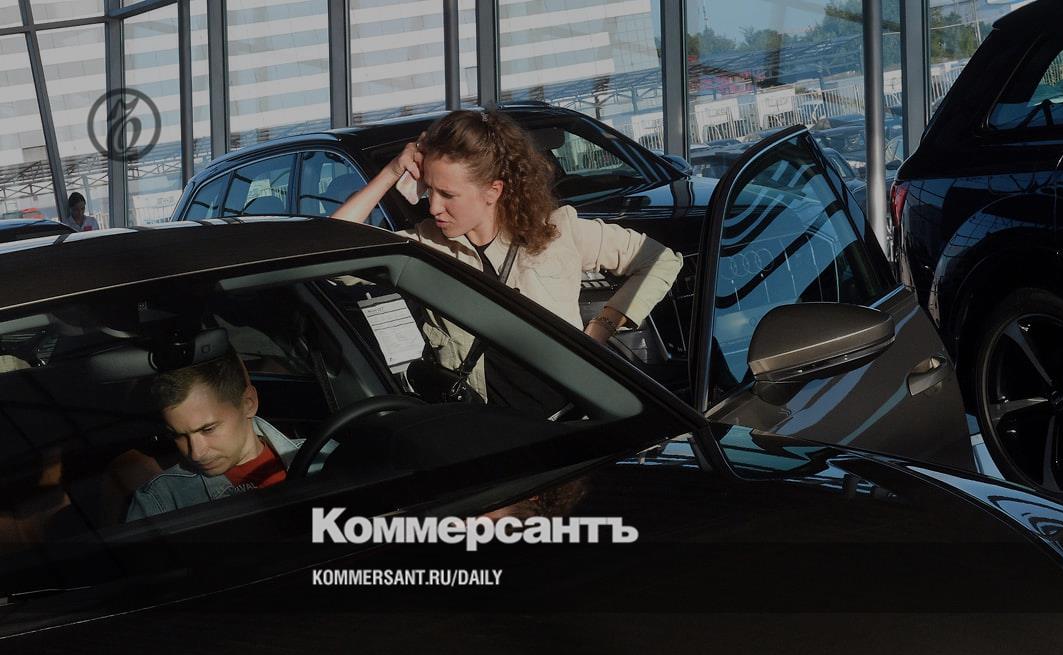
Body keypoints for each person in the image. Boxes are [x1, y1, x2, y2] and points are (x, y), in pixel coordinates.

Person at [330, 109, 683, 404]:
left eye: (448, 194)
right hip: (488, 429)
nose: (434, 206)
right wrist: (392, 171)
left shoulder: (557, 232)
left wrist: (600, 329)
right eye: (430, 191)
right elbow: (332, 251)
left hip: (569, 418)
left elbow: (661, 260)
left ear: (492, 191)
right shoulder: (424, 247)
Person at [126, 350, 300, 521]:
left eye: (208, 429)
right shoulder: (161, 500)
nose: (196, 453)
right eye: (178, 435)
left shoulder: (315, 459)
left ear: (248, 404)